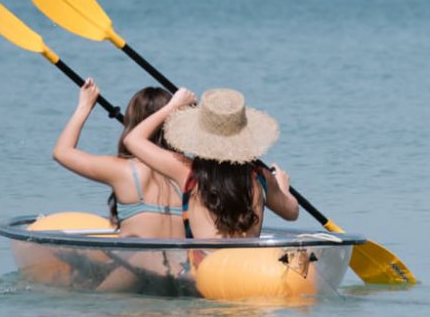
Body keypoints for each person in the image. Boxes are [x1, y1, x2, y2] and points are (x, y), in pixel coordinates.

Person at [123, 87, 301, 238]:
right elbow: (292, 212)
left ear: (201, 137)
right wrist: (282, 187)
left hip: (204, 271)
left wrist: (173, 106)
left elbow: (132, 140)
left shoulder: (186, 171)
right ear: (244, 136)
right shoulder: (262, 177)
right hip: (248, 269)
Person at [51, 80, 189, 238]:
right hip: (179, 262)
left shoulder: (124, 171)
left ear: (132, 123)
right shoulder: (187, 171)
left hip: (135, 263)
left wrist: (85, 105)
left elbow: (61, 152)